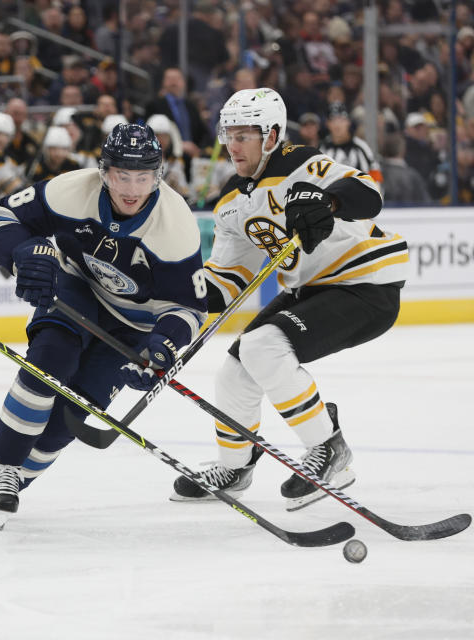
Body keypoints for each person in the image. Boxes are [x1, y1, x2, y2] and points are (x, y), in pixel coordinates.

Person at [0, 123, 207, 528]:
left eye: (143, 177)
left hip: (134, 325)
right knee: (49, 360)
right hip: (78, 289)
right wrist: (25, 251)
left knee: (70, 416)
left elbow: (189, 309)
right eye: (123, 175)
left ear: (158, 175)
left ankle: (3, 483)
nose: (132, 188)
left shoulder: (175, 227)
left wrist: (163, 347)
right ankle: (3, 468)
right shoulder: (71, 189)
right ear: (104, 171)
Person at [170, 88, 409, 511]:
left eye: (244, 134)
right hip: (310, 288)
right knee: (234, 371)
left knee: (264, 345)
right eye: (229, 134)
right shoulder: (230, 202)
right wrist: (169, 296)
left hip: (366, 284)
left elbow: (368, 195)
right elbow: (225, 285)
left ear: (272, 135)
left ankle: (330, 449)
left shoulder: (302, 162)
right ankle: (236, 465)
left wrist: (328, 199)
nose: (233, 144)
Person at [319, 102, 383, 185]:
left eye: (341, 119)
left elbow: (375, 174)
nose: (337, 125)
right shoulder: (322, 149)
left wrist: (376, 195)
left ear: (348, 122)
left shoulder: (361, 147)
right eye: (333, 120)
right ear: (327, 124)